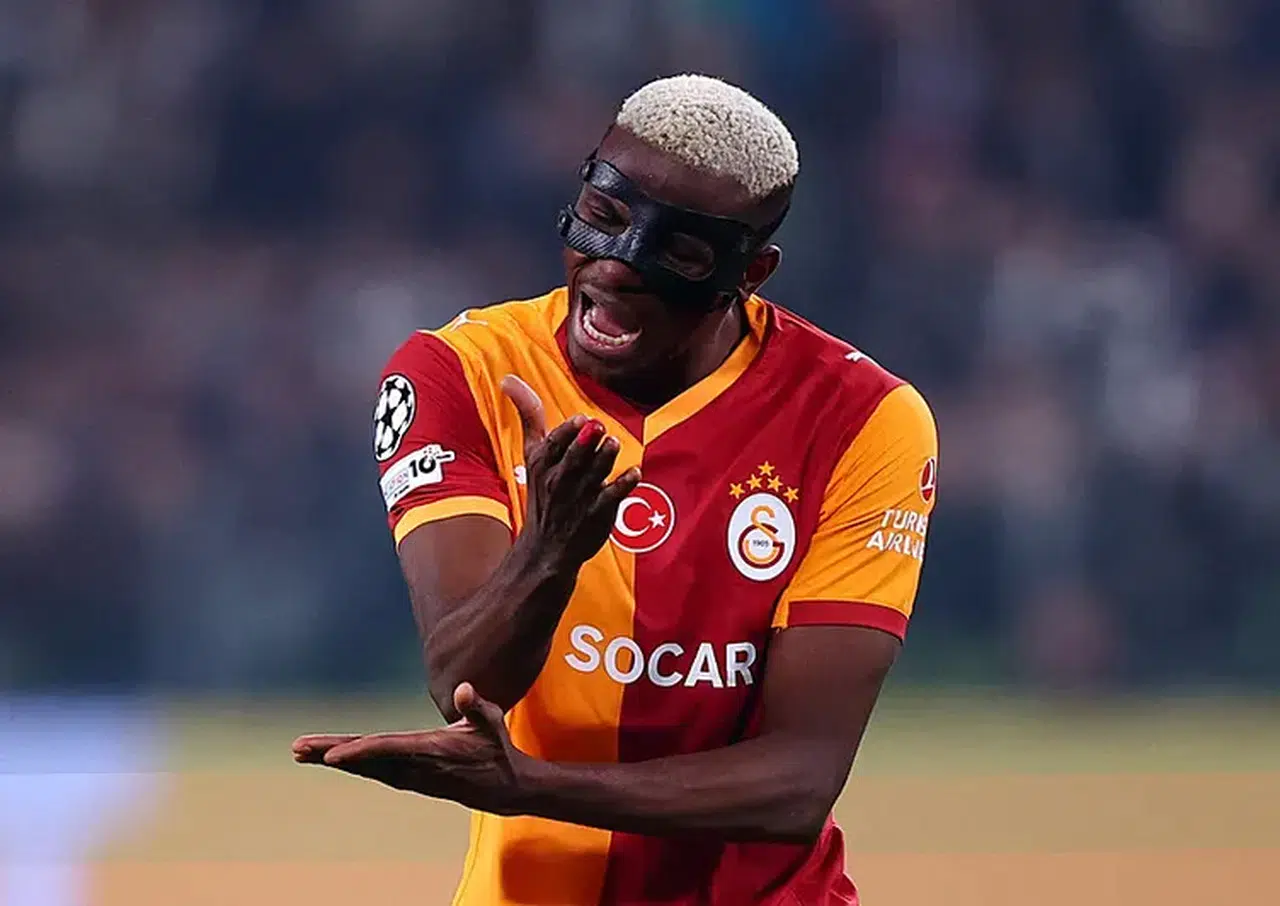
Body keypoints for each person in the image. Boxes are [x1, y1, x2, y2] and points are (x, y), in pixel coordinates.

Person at [293, 74, 938, 906]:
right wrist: (551, 549)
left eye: (680, 252)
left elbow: (797, 782)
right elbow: (465, 680)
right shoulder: (458, 373)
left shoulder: (863, 417)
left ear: (752, 270)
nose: (618, 265)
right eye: (604, 215)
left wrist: (531, 786)